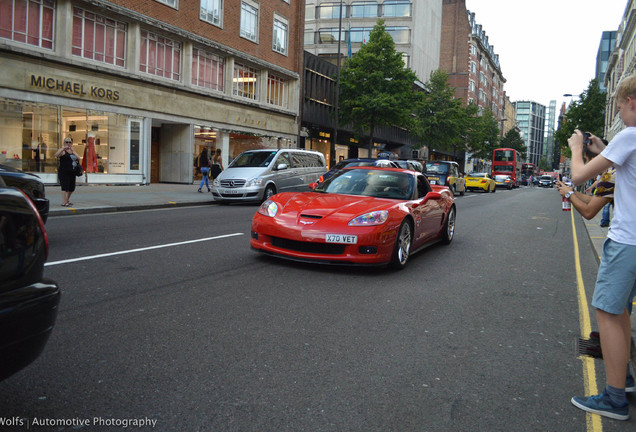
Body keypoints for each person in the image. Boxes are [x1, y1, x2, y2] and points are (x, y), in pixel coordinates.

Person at [567, 75, 636, 421]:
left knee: (607, 313)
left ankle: (613, 399)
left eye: (621, 108)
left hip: (627, 241)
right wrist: (603, 148)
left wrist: (577, 148)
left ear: (632, 102)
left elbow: (579, 177)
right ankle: (622, 379)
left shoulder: (631, 136)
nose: (621, 114)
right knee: (621, 310)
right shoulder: (626, 141)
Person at [54, 137, 80, 207]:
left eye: (70, 142)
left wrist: (73, 151)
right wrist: (63, 149)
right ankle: (63, 202)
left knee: (72, 187)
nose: (68, 144)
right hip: (64, 171)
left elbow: (78, 158)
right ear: (64, 143)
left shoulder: (72, 151)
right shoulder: (62, 151)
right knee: (64, 187)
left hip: (72, 172)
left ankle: (67, 200)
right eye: (66, 142)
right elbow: (56, 155)